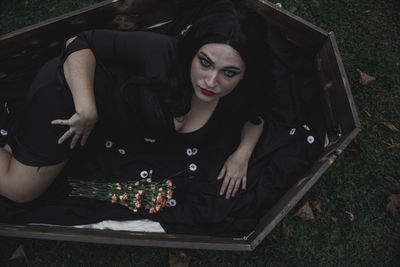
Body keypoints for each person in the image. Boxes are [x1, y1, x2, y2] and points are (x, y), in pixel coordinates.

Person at [0, 0, 324, 235]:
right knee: (20, 191)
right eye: (205, 63)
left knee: (26, 161)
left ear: (244, 74)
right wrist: (86, 109)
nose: (211, 83)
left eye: (229, 72)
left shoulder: (239, 93)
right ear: (193, 51)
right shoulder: (162, 54)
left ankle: (22, 148)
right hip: (70, 97)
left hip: (102, 126)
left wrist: (243, 153)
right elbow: (78, 43)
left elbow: (255, 116)